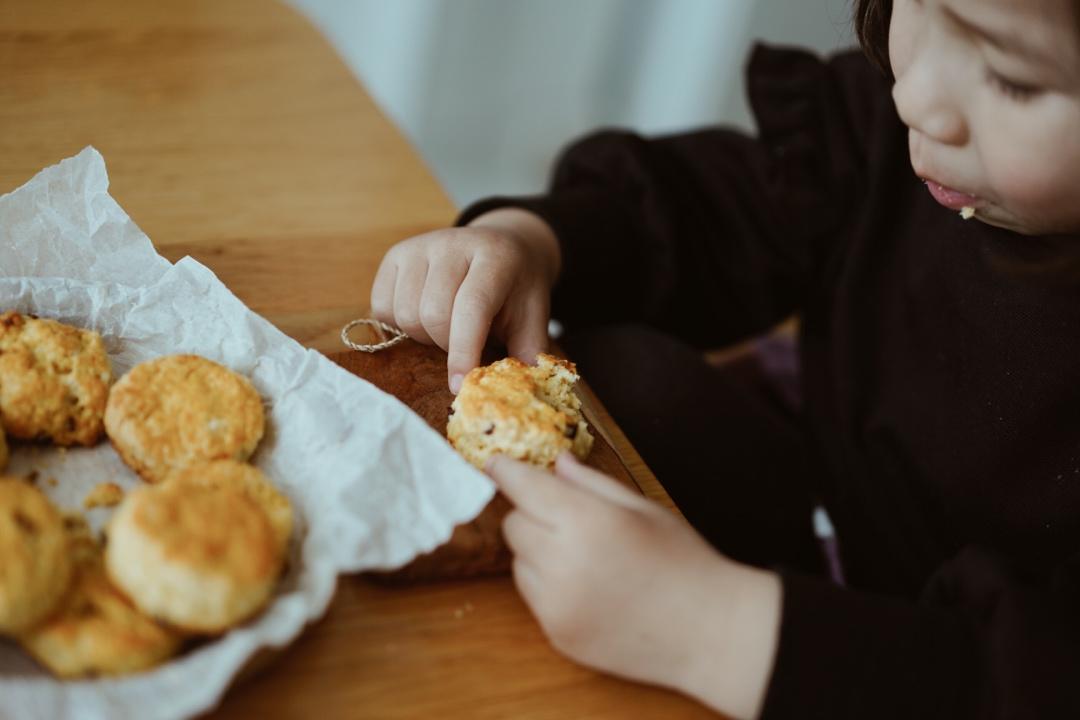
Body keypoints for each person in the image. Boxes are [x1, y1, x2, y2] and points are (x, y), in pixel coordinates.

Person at [370, 0, 1080, 716]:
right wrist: (534, 239)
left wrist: (713, 631)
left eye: (1010, 77)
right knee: (625, 379)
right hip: (833, 515)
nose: (916, 95)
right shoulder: (892, 131)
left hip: (921, 673)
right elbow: (725, 206)